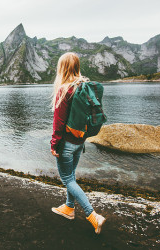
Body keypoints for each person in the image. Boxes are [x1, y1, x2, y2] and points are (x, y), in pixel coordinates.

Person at [50, 52, 106, 234]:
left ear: (62, 68)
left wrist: (54, 144)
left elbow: (59, 123)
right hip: (80, 142)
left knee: (67, 179)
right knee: (71, 177)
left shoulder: (65, 89)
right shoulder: (84, 86)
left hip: (66, 143)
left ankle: (93, 216)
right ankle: (68, 208)